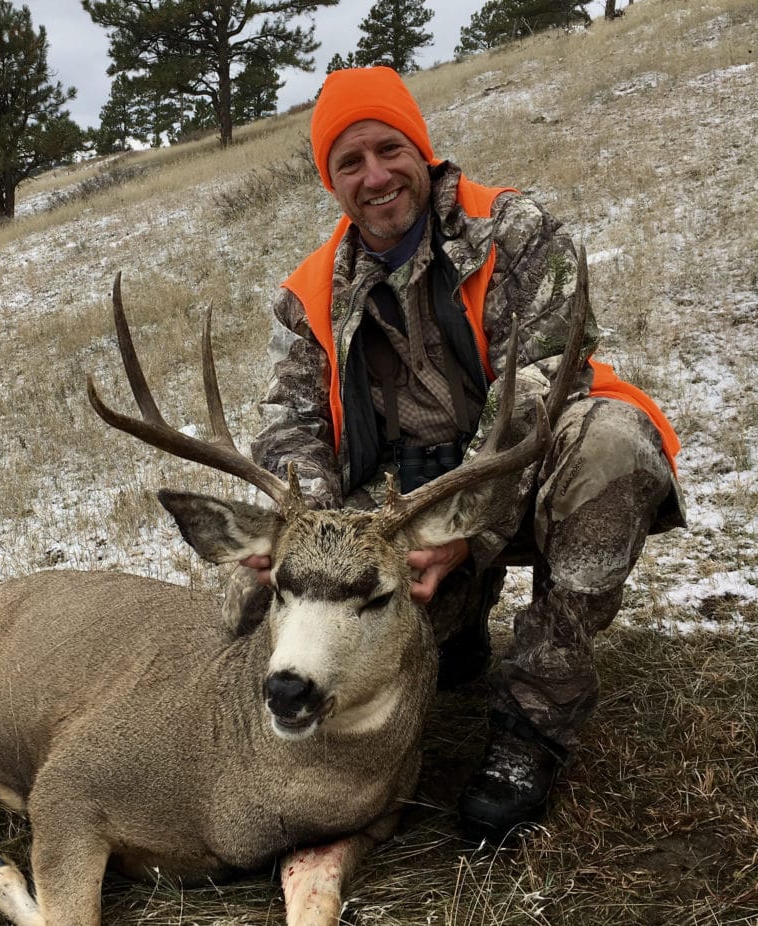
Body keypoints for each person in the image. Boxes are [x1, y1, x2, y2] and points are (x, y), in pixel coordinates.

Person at [232, 66, 686, 843]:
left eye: (389, 149)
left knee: (610, 442)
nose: (375, 176)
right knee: (293, 596)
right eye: (350, 162)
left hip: (536, 474)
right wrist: (300, 530)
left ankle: (533, 721)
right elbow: (291, 423)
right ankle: (458, 621)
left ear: (421, 149)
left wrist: (467, 532)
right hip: (405, 509)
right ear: (331, 181)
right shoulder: (310, 293)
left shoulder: (514, 231)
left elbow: (547, 376)